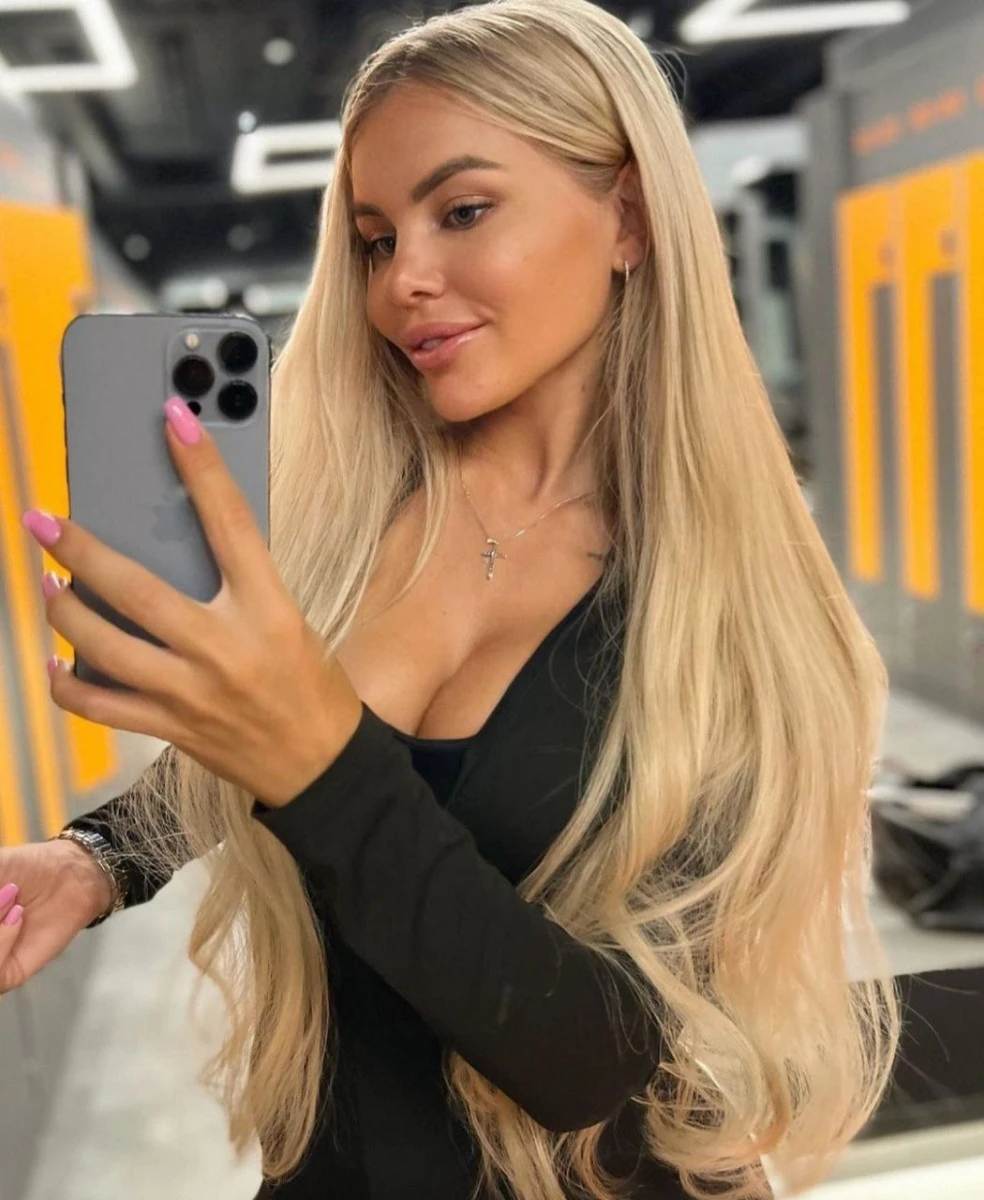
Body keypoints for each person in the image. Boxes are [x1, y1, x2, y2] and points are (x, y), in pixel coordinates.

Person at [0, 1, 901, 1197]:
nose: (402, 283)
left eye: (463, 211)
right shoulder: (357, 509)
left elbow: (595, 1060)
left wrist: (320, 762)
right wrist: (98, 857)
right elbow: (266, 734)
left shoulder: (730, 613)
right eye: (375, 239)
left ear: (628, 217)